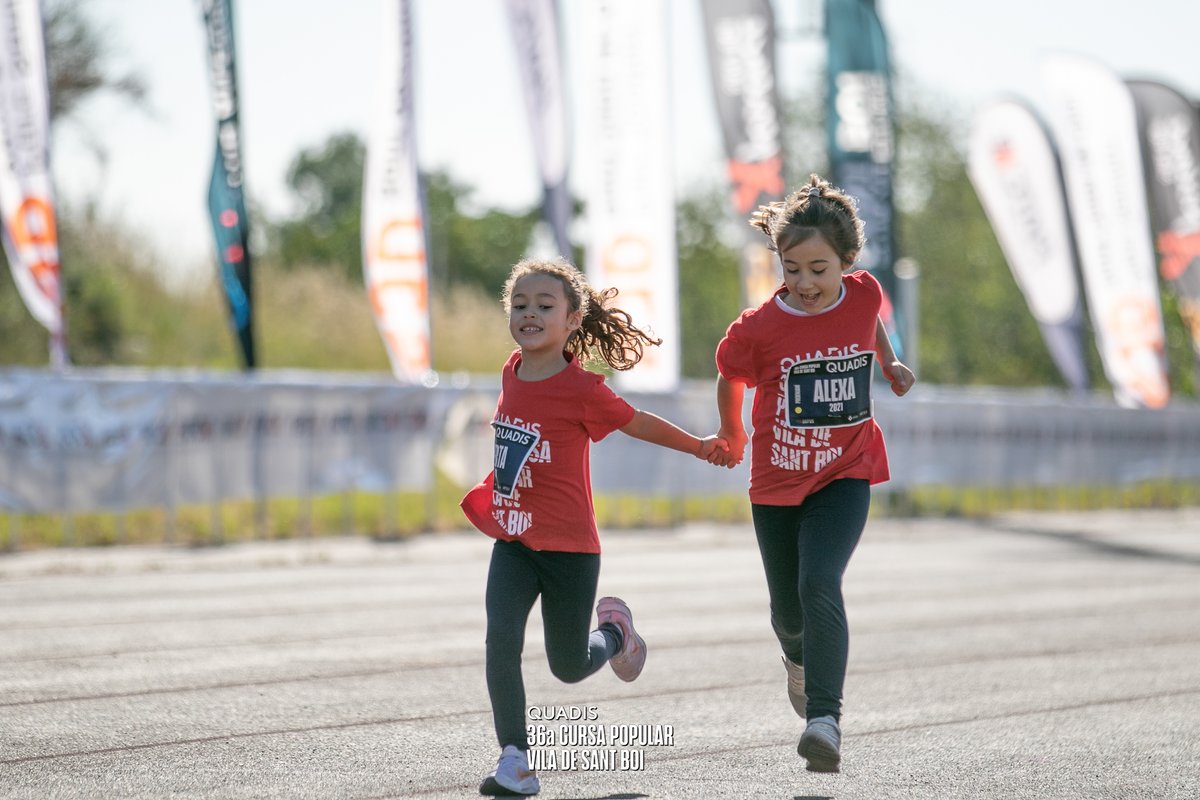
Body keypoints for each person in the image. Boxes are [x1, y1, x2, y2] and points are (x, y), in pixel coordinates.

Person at [461, 256, 730, 797]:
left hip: (569, 551)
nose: (529, 314)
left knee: (568, 665)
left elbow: (638, 422)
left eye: (544, 305)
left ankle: (615, 634)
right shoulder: (510, 370)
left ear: (573, 318)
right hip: (514, 542)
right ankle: (515, 759)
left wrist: (700, 445)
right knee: (500, 640)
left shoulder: (583, 389)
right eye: (519, 305)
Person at [712, 175, 915, 774]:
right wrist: (732, 433)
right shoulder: (758, 328)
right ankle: (799, 659)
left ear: (847, 263)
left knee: (819, 581)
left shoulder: (863, 292)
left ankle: (824, 719)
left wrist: (890, 360)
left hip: (846, 473)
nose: (804, 282)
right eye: (791, 268)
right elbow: (730, 373)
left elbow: (868, 316)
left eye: (818, 269)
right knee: (786, 613)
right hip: (776, 484)